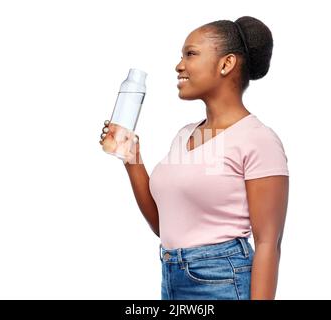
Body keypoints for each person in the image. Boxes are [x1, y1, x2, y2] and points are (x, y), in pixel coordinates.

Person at [99, 16, 289, 300]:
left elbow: (267, 244)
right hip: (172, 276)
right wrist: (132, 159)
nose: (179, 65)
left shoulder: (258, 139)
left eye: (191, 54)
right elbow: (166, 226)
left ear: (226, 64)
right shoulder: (187, 134)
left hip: (223, 280)